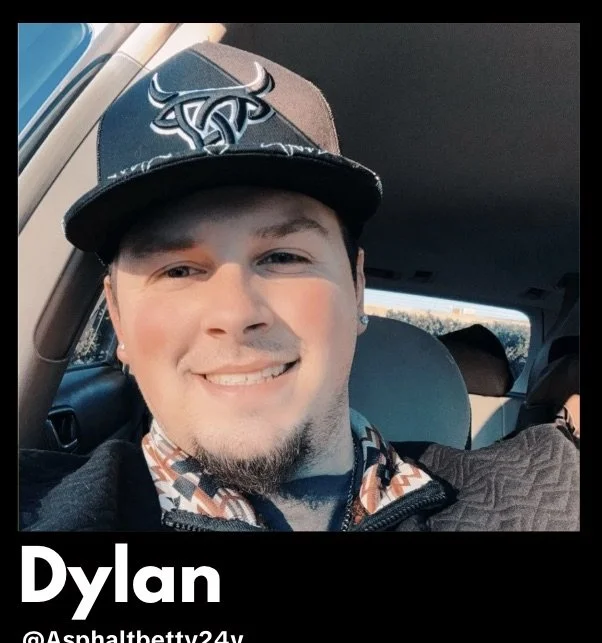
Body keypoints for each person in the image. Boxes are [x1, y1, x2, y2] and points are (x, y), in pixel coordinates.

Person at [19, 41, 579, 532]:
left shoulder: (548, 496)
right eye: (178, 270)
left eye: (283, 256)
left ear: (356, 290)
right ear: (116, 317)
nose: (235, 312)